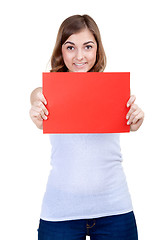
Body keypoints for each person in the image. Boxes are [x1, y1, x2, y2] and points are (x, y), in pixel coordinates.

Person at [29, 14, 144, 240]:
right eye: (70, 47)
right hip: (60, 213)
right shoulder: (51, 91)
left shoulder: (114, 91)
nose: (79, 56)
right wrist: (35, 103)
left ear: (97, 50)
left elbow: (131, 118)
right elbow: (37, 94)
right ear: (61, 51)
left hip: (114, 211)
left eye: (88, 47)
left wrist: (137, 118)